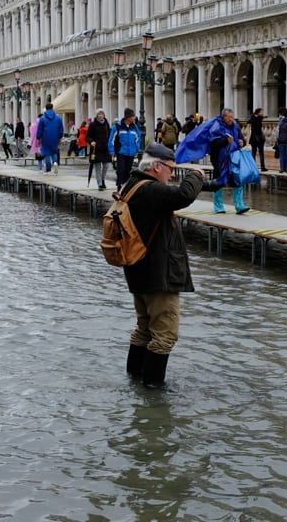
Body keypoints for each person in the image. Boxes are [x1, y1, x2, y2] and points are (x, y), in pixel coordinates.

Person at [120, 143, 205, 388]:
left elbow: (178, 194)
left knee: (144, 329)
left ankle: (134, 379)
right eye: (170, 169)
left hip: (139, 271)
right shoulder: (150, 190)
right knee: (165, 336)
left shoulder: (132, 185)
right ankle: (153, 392)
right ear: (157, 166)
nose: (172, 174)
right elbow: (183, 196)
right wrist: (195, 175)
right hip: (157, 274)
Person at [206, 108, 250, 214]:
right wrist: (225, 140)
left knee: (237, 179)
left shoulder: (235, 126)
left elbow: (241, 138)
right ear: (224, 117)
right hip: (218, 159)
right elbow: (212, 143)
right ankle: (218, 207)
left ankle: (239, 206)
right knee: (219, 181)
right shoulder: (216, 127)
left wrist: (242, 142)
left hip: (233, 157)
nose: (231, 119)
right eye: (229, 117)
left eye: (232, 117)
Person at [108, 108, 141, 189]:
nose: (134, 118)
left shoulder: (134, 127)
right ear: (128, 117)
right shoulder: (117, 127)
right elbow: (111, 139)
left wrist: (136, 148)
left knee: (128, 171)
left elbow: (138, 137)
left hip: (131, 153)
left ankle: (125, 187)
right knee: (121, 170)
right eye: (133, 116)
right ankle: (119, 186)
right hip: (121, 152)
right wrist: (111, 151)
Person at [86, 108, 112, 190]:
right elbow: (88, 136)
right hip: (96, 149)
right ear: (96, 115)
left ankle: (103, 179)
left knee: (106, 165)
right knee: (97, 167)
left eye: (102, 114)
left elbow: (110, 135)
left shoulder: (106, 124)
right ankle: (100, 183)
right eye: (99, 114)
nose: (100, 115)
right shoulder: (93, 124)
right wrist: (91, 141)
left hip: (105, 148)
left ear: (104, 115)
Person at [37, 103, 64, 174]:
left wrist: (38, 138)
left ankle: (48, 168)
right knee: (54, 151)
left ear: (46, 108)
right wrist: (60, 137)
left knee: (46, 152)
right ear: (52, 108)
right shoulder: (58, 118)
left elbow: (40, 129)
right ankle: (55, 163)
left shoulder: (42, 118)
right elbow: (61, 129)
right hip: (55, 137)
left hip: (45, 137)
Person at [247, 107, 267, 171]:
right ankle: (262, 167)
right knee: (261, 153)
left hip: (253, 138)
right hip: (258, 138)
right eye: (261, 112)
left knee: (253, 152)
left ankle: (253, 167)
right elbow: (258, 129)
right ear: (258, 113)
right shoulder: (259, 119)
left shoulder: (252, 118)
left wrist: (253, 116)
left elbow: (248, 122)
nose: (263, 113)